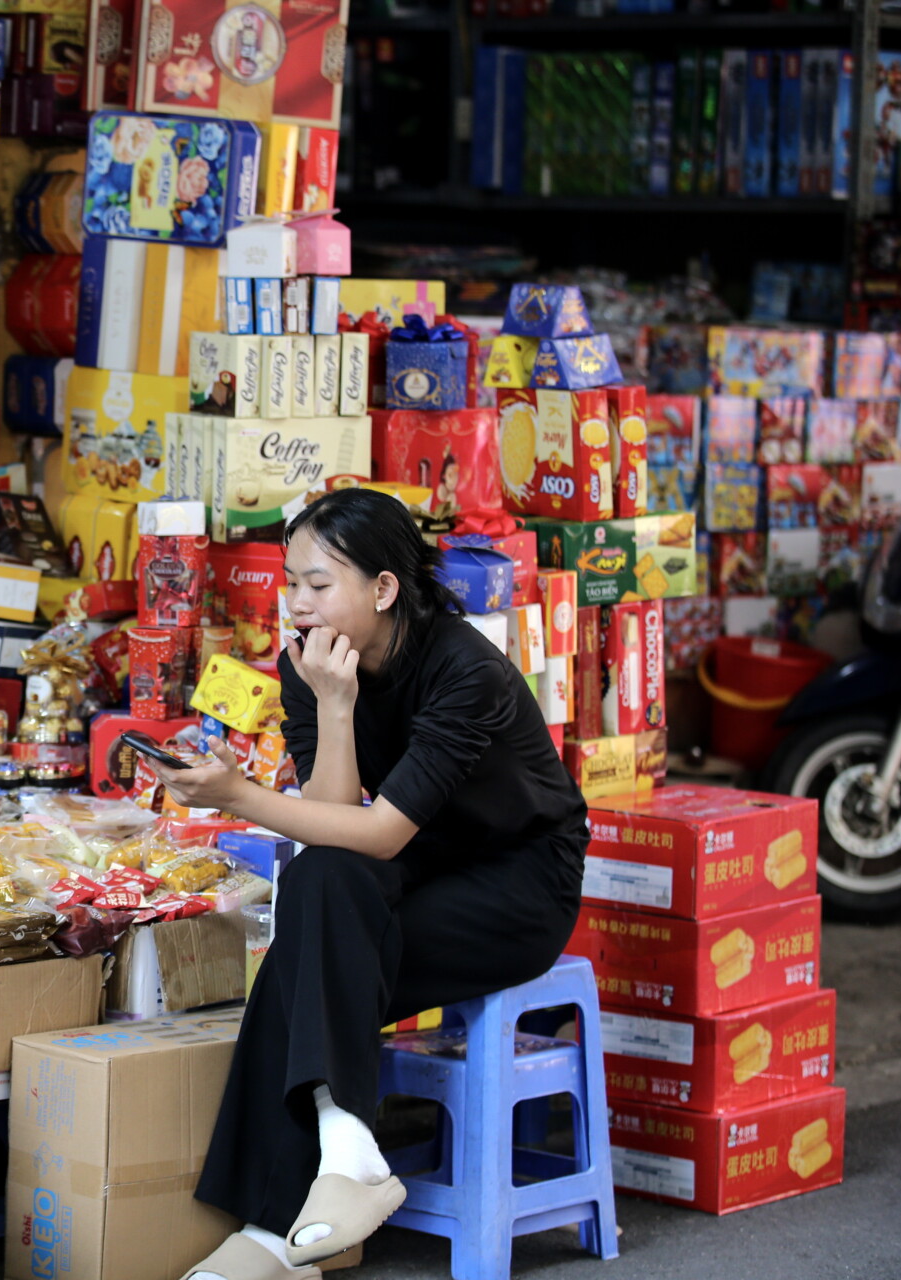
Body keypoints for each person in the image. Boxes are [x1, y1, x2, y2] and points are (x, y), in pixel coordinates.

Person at [148, 487, 589, 1280]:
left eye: (319, 585)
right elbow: (332, 822)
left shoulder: (465, 669)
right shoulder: (309, 666)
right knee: (321, 884)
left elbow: (380, 831)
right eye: (291, 583)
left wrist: (241, 797)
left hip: (518, 881)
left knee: (300, 962)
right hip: (416, 864)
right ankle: (344, 1155)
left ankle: (274, 1236)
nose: (298, 602)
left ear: (383, 589)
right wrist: (336, 704)